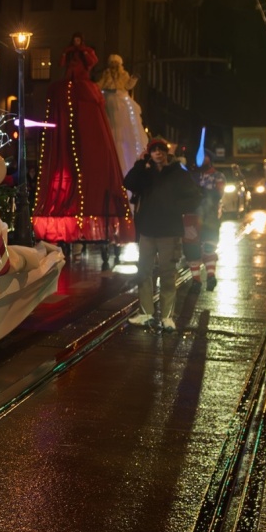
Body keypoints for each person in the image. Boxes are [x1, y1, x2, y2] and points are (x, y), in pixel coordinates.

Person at [33, 33, 135, 247]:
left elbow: (89, 61)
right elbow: (64, 61)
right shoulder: (70, 85)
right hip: (77, 100)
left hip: (86, 103)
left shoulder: (86, 86)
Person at [123, 138, 201, 332]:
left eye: (161, 150)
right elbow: (128, 182)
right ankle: (146, 313)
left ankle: (167, 317)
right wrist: (141, 163)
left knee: (167, 273)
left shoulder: (177, 173)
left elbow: (195, 196)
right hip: (148, 230)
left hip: (169, 231)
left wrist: (175, 209)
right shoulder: (146, 173)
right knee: (144, 271)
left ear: (167, 153)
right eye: (154, 150)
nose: (158, 153)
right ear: (150, 153)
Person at [97, 54, 148, 173]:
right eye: (112, 63)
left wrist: (134, 79)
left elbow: (128, 85)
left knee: (121, 122)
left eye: (116, 63)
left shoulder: (124, 74)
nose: (114, 66)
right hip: (108, 99)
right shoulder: (106, 74)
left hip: (120, 99)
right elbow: (100, 84)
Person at [187, 151, 225, 290]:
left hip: (210, 218)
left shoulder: (218, 175)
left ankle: (210, 275)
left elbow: (218, 194)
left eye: (205, 156)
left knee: (209, 247)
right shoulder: (191, 176)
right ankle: (196, 280)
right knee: (192, 249)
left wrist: (200, 191)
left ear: (210, 158)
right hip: (191, 217)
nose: (201, 159)